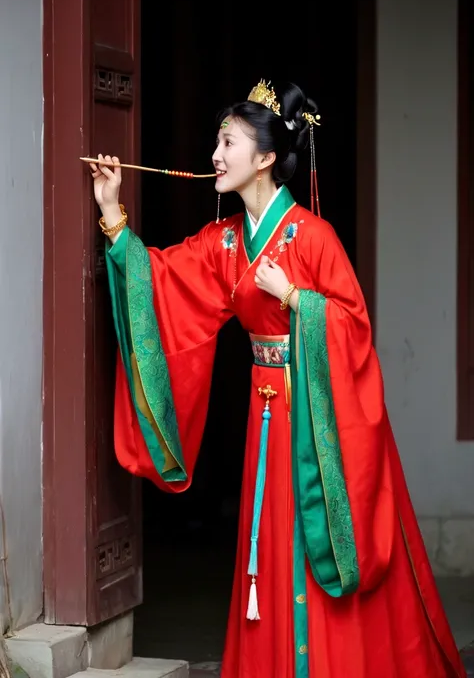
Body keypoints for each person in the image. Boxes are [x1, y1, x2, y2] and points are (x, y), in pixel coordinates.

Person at [89, 80, 466, 678]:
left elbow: (356, 328)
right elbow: (162, 282)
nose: (215, 154)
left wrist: (295, 296)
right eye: (217, 141)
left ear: (265, 158)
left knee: (315, 540)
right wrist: (112, 212)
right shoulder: (226, 243)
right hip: (264, 418)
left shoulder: (313, 237)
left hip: (320, 420)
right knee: (268, 543)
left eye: (228, 142)